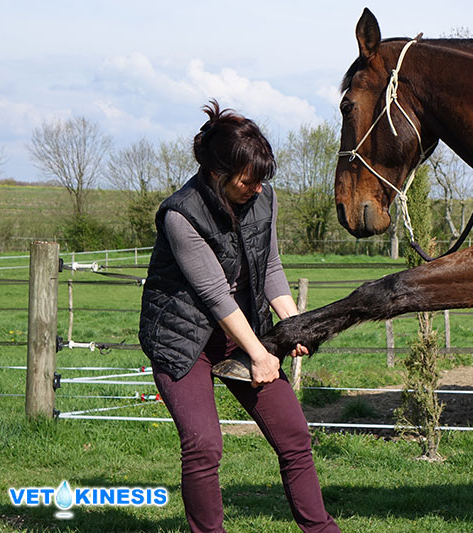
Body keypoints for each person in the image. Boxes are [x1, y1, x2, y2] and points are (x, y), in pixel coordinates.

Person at [139, 100, 339, 533]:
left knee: (295, 438)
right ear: (217, 174)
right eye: (249, 180)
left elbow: (269, 267)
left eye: (264, 179)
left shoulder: (264, 201)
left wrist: (293, 325)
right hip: (184, 338)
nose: (258, 189)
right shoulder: (180, 214)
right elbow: (213, 293)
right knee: (203, 445)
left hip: (241, 332)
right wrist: (261, 355)